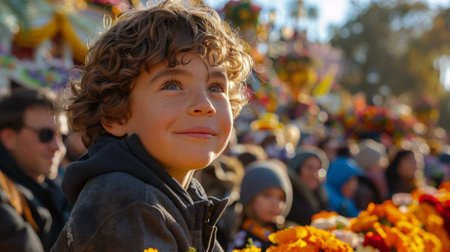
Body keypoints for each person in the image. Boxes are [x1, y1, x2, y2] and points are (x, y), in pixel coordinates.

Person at [51, 1, 253, 251]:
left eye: (216, 88)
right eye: (172, 85)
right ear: (116, 115)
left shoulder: (183, 195)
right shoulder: (129, 201)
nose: (205, 105)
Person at [0, 88, 72, 251]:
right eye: (45, 135)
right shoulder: (5, 193)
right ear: (8, 138)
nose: (57, 146)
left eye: (64, 137)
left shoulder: (58, 193)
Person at [227, 160, 292, 251]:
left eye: (281, 198)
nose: (275, 203)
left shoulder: (284, 232)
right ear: (250, 198)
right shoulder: (241, 240)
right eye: (267, 195)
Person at [285, 148, 330, 226]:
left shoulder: (319, 193)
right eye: (310, 168)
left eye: (319, 169)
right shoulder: (289, 196)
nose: (315, 174)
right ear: (297, 169)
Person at [325, 145, 362, 217]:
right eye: (350, 181)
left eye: (356, 181)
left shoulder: (346, 202)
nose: (354, 186)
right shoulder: (332, 205)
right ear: (339, 180)